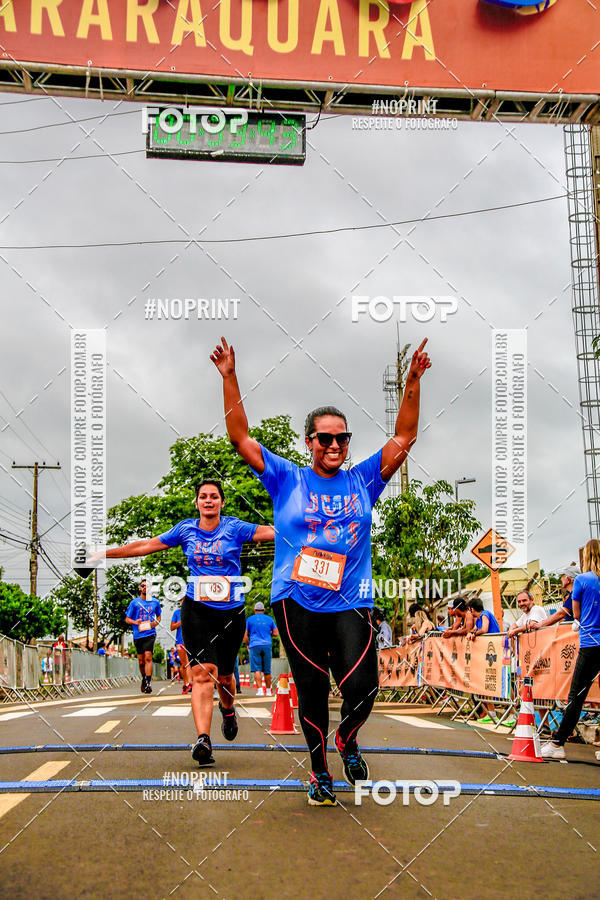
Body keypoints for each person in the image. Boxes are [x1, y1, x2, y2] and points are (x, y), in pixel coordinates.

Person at [211, 334, 430, 805]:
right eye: (325, 437)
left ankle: (347, 738)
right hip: (296, 598)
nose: (334, 444)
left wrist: (412, 381)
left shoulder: (363, 478)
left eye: (342, 437)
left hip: (352, 598)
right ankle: (319, 773)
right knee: (310, 688)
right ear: (310, 442)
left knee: (363, 688)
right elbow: (240, 437)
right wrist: (230, 378)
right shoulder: (286, 476)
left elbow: (404, 437)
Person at [99, 479, 274, 765]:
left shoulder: (235, 528)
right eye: (203, 496)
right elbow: (145, 545)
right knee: (204, 673)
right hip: (197, 610)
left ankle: (228, 712)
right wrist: (102, 553)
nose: (208, 501)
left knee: (226, 678)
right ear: (196, 503)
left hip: (231, 613)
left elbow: (274, 533)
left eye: (214, 496)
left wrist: (314, 531)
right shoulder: (185, 530)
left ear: (221, 502)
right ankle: (203, 739)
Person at [542, 540, 600, 759]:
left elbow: (575, 614)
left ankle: (558, 743)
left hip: (590, 642)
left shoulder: (583, 580)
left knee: (576, 696)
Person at [125, 580, 161, 694]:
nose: (145, 588)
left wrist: (155, 623)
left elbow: (159, 617)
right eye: (143, 586)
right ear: (140, 588)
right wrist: (136, 622)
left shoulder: (155, 602)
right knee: (141, 661)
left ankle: (148, 682)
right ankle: (144, 679)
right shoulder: (134, 603)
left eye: (148, 586)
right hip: (138, 634)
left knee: (148, 657)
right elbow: (127, 619)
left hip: (150, 633)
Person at [244, 601, 279, 695]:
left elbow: (245, 636)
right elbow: (276, 633)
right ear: (263, 610)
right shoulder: (269, 619)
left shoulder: (249, 619)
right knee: (267, 670)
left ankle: (260, 690)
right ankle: (268, 691)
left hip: (254, 645)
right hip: (267, 645)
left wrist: (248, 644)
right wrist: (269, 634)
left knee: (257, 669)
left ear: (254, 610)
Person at [170, 604, 192, 693]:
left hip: (192, 640)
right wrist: (180, 622)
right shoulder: (177, 613)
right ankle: (185, 683)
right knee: (184, 664)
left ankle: (190, 684)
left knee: (189, 662)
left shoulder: (193, 611)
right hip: (180, 640)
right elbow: (172, 627)